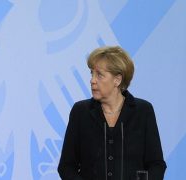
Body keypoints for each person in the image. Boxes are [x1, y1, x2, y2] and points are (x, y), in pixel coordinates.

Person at [58, 46, 166, 180]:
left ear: (117, 80)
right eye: (91, 73)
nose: (92, 80)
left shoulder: (143, 111)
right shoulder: (80, 111)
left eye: (99, 74)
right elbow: (66, 166)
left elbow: (156, 164)